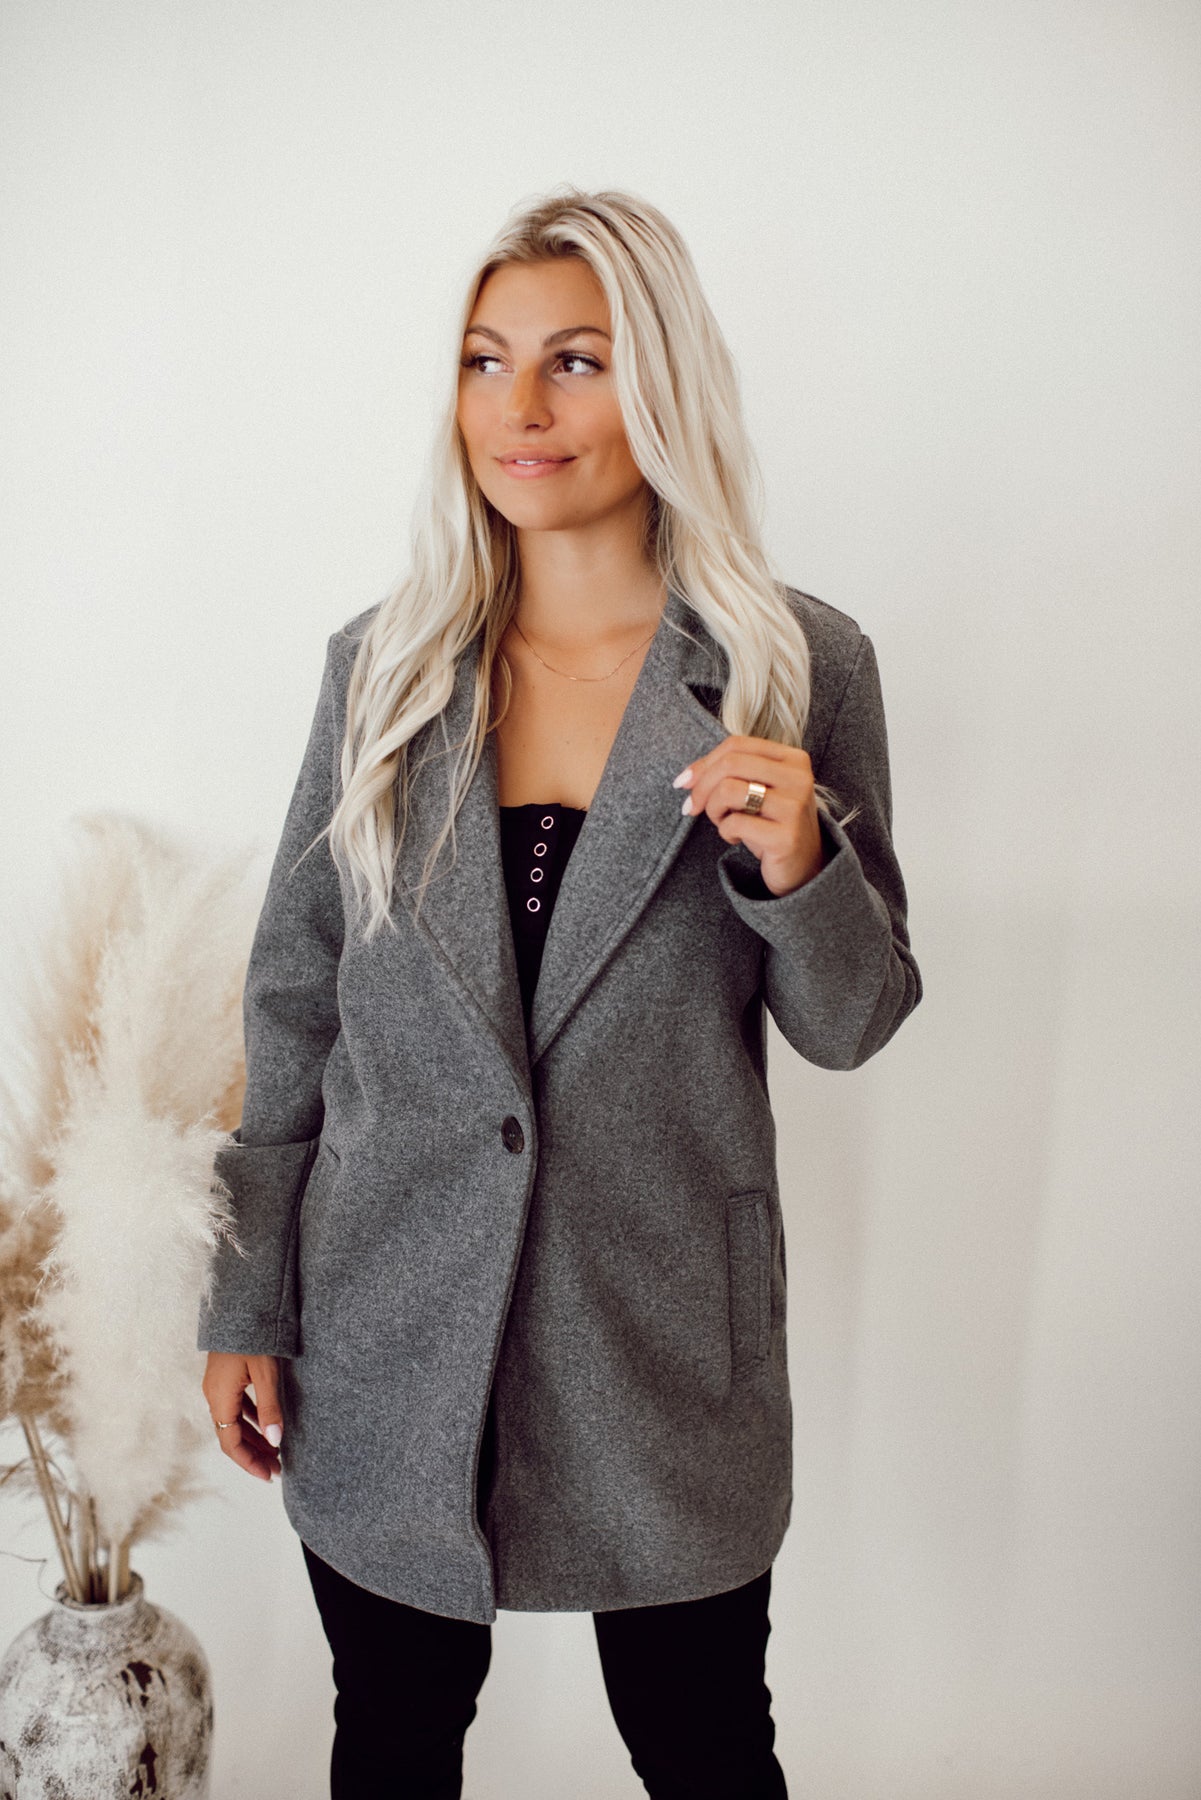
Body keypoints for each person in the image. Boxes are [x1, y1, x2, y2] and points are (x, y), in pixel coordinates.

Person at [199, 186, 922, 1799]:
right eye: (484, 360)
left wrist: (798, 862)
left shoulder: (793, 666)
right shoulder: (382, 668)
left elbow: (851, 1023)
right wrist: (246, 1296)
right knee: (391, 1739)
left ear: (660, 383)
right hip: (384, 1317)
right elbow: (295, 991)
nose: (517, 408)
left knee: (703, 1743)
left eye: (574, 361)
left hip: (656, 1328)